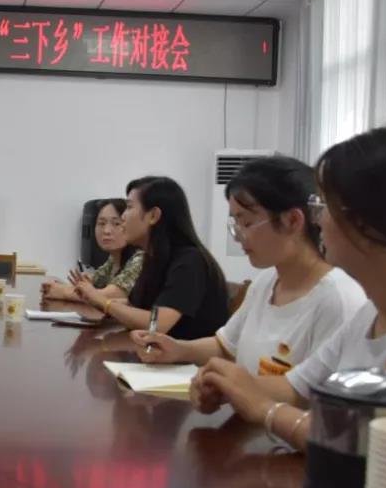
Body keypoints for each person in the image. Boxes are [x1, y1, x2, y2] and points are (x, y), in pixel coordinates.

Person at [193, 128, 386, 450]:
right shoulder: (372, 313)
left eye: (324, 205)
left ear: (368, 223)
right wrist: (228, 386)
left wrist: (267, 410)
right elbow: (297, 387)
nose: (318, 220)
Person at [130, 156, 365, 375]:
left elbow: (320, 399)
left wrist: (238, 388)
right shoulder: (267, 283)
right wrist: (177, 349)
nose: (238, 236)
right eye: (235, 224)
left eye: (247, 223)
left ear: (292, 221)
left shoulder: (337, 301)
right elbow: (225, 347)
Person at [98, 176, 229, 339]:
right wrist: (96, 300)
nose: (123, 216)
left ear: (153, 215)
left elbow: (157, 324)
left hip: (186, 355)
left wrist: (104, 302)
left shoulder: (190, 261)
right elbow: (136, 306)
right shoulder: (153, 257)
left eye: (129, 207)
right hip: (154, 352)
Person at [42, 198, 143, 305]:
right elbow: (91, 282)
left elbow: (110, 295)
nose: (106, 231)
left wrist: (64, 292)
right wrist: (59, 286)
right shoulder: (114, 259)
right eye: (101, 223)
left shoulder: (140, 259)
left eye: (116, 223)